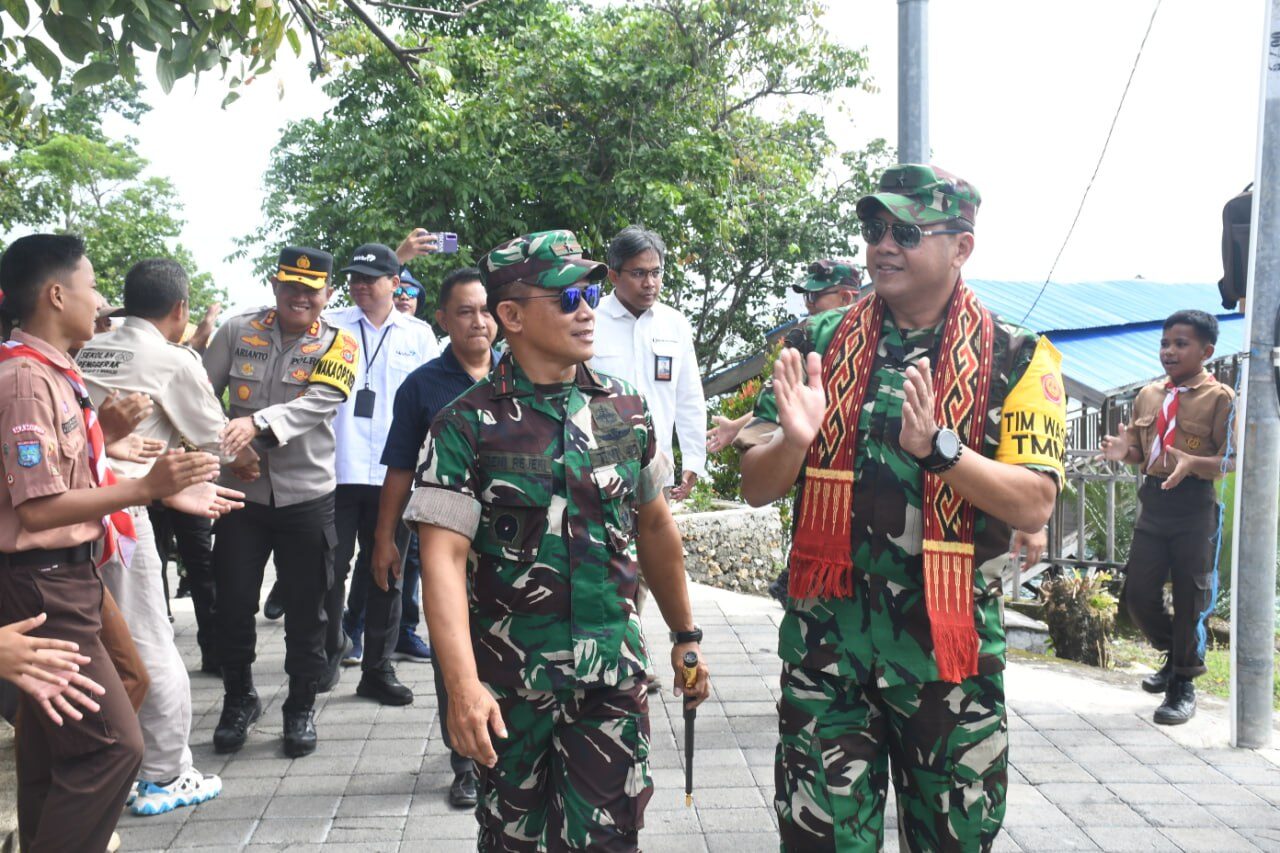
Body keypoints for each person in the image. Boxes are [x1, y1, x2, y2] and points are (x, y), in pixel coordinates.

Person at [737, 165, 1066, 852]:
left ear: (962, 247)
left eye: (905, 232)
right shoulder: (815, 343)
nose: (882, 246)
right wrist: (794, 441)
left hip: (947, 659)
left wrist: (941, 450)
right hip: (827, 651)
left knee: (953, 841)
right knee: (819, 842)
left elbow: (1035, 501)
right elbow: (756, 486)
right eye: (873, 229)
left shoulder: (1021, 359)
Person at [408, 229, 711, 852]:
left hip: (610, 678)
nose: (586, 309)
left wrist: (685, 637)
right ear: (511, 316)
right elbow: (441, 561)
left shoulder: (625, 411)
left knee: (607, 840)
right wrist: (462, 686)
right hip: (510, 688)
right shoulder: (465, 425)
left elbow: (655, 527)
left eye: (591, 291)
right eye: (567, 295)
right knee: (512, 841)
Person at [0, 233, 220, 851]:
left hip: (75, 572)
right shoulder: (23, 379)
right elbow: (39, 507)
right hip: (43, 578)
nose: (100, 302)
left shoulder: (53, 372)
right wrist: (146, 488)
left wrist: (155, 482)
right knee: (113, 748)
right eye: (91, 285)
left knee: (95, 706)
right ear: (54, 293)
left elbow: (69, 468)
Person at [77, 257, 249, 815]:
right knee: (149, 639)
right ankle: (167, 770)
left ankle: (114, 757)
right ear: (181, 309)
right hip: (123, 518)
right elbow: (216, 438)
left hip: (73, 514)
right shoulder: (171, 359)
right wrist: (250, 461)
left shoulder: (80, 351)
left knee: (99, 644)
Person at [203, 246, 359, 758]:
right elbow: (202, 398)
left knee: (306, 608)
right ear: (274, 286)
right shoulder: (236, 330)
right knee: (233, 601)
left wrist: (256, 433)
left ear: (327, 295)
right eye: (290, 286)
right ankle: (238, 697)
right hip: (239, 496)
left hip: (306, 497)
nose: (300, 297)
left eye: (311, 290)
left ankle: (300, 704)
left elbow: (319, 403)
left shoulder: (341, 344)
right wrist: (226, 450)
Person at [373, 266, 497, 808]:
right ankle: (464, 761)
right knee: (456, 648)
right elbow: (399, 469)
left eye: (486, 309)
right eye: (465, 311)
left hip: (518, 546)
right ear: (442, 318)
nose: (479, 322)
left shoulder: (522, 372)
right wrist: (385, 539)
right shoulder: (423, 385)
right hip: (447, 541)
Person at [1098, 309, 1234, 725]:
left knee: (1192, 598)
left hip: (1194, 505)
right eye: (1165, 343)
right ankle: (1174, 656)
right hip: (1154, 502)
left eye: (1181, 344)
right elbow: (1143, 453)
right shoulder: (1148, 395)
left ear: (1206, 351)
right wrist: (1126, 454)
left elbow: (1229, 460)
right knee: (1138, 595)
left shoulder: (1221, 398)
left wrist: (1193, 462)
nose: (1169, 352)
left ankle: (1183, 685)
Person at [323, 242, 440, 705]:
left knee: (387, 572)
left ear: (397, 283)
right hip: (338, 468)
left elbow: (434, 403)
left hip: (395, 475)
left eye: (371, 279)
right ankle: (325, 657)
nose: (360, 286)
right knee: (327, 572)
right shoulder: (330, 327)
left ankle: (378, 668)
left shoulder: (419, 335)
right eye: (354, 278)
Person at [589, 225, 707, 502]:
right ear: (614, 275)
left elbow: (689, 397)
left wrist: (694, 460)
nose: (649, 283)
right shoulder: (590, 321)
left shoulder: (674, 324)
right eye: (639, 273)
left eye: (656, 273)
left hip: (656, 471)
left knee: (656, 543)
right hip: (599, 471)